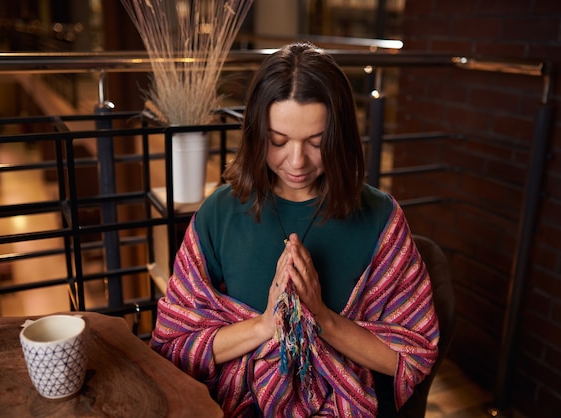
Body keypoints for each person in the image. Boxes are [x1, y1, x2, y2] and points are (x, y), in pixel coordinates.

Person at [150, 41, 439, 417]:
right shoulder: (219, 213)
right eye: (278, 142)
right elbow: (174, 342)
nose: (297, 162)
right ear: (256, 134)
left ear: (341, 136)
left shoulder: (380, 217)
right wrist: (266, 324)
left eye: (317, 142)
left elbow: (411, 359)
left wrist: (321, 316)